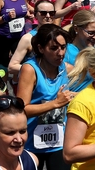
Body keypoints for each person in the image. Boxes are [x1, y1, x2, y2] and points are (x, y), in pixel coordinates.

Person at [16, 24, 74, 170]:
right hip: (32, 141)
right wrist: (55, 103)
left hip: (59, 141)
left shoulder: (66, 68)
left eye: (63, 47)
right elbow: (22, 110)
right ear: (41, 48)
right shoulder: (30, 69)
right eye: (54, 48)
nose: (60, 53)